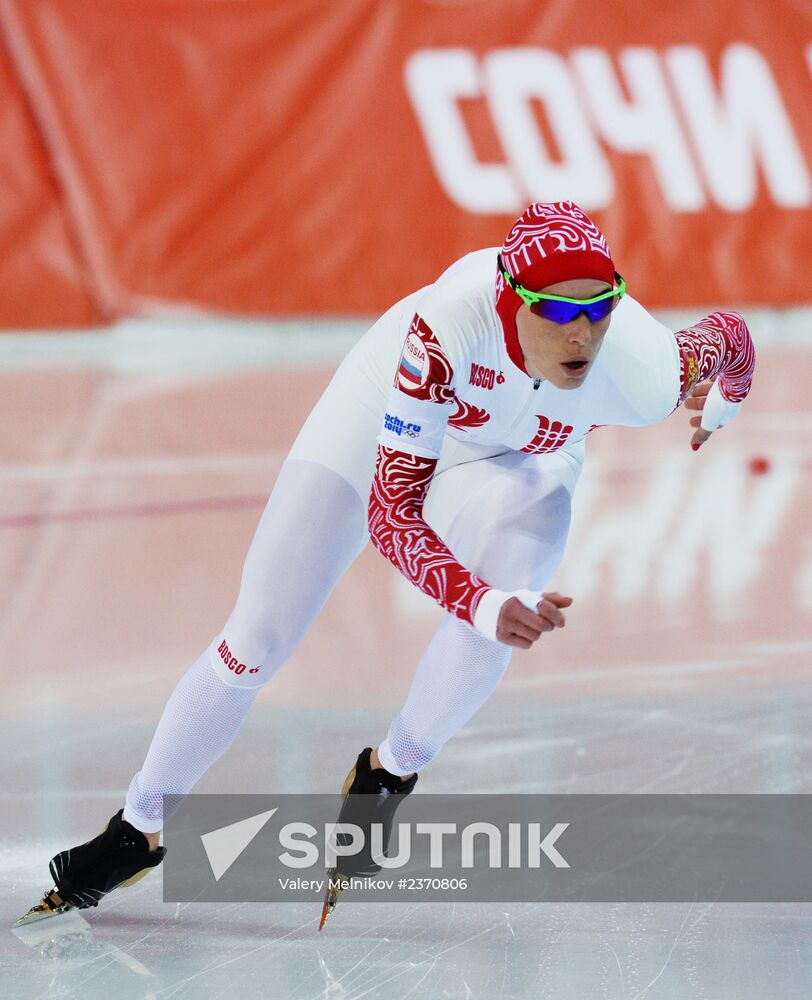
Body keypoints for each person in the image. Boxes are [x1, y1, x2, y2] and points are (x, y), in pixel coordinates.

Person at [17, 201, 755, 926]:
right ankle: (137, 827)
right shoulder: (443, 334)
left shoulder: (646, 367)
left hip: (523, 457)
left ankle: (388, 772)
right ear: (508, 301)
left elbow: (731, 337)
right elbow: (392, 514)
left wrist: (729, 393)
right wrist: (480, 599)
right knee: (257, 639)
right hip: (380, 416)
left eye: (600, 308)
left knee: (498, 614)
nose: (583, 333)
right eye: (557, 313)